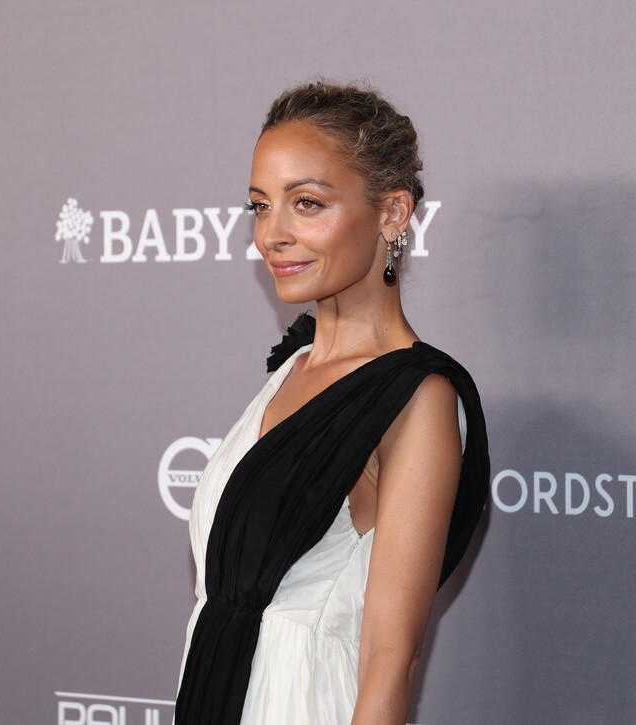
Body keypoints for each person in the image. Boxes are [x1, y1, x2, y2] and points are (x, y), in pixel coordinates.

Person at [174, 81, 489, 725]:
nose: (272, 234)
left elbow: (389, 661)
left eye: (307, 203)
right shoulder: (292, 367)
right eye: (260, 206)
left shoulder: (416, 397)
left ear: (392, 213)